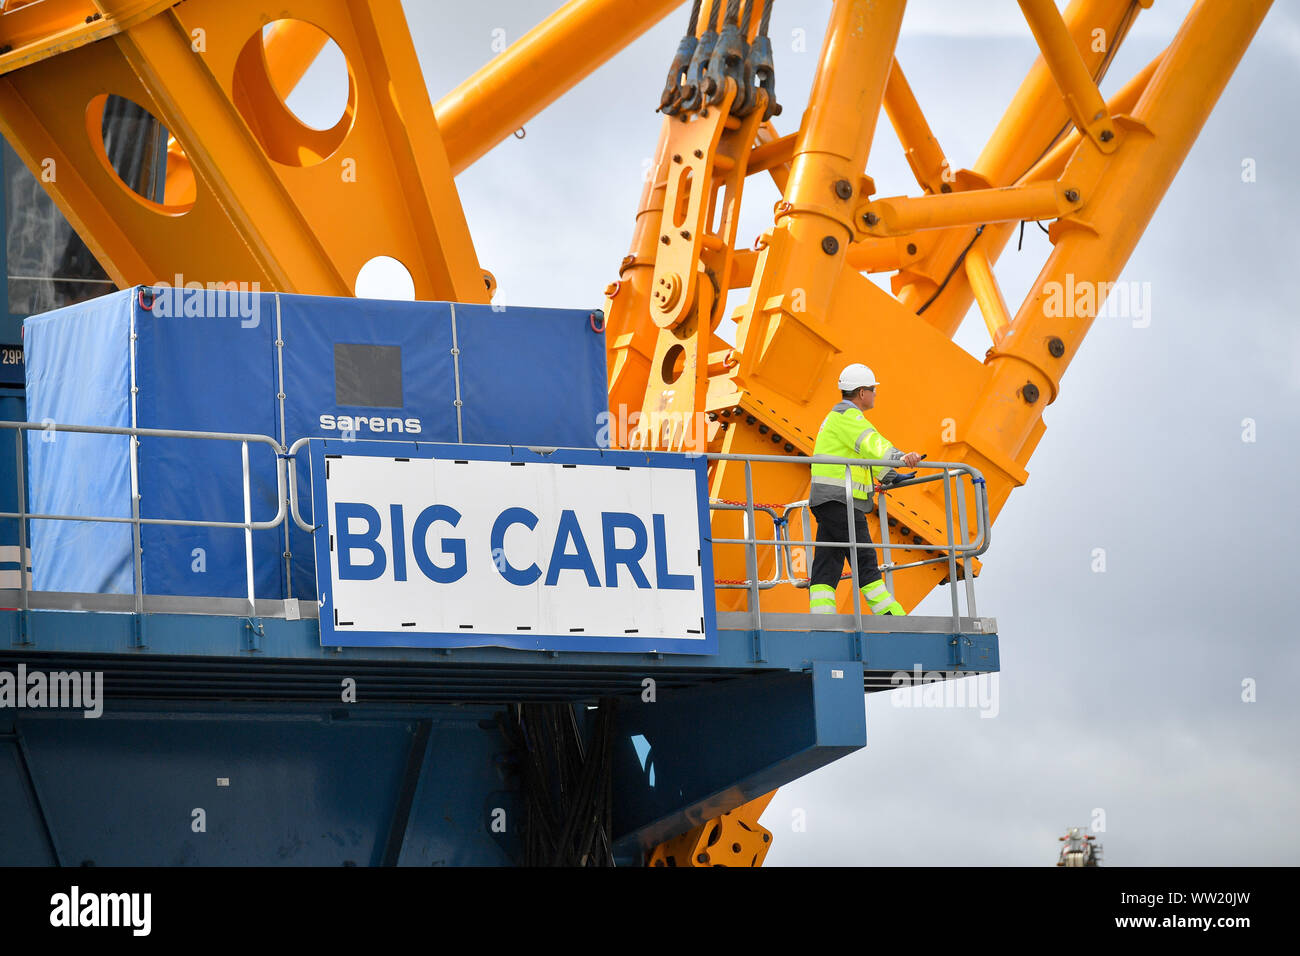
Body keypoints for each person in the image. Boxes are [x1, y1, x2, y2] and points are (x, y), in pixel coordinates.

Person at [806, 363, 923, 616]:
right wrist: (901, 458)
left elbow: (861, 457)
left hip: (828, 500)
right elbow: (872, 444)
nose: (875, 394)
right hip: (841, 500)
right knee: (865, 558)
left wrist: (892, 476)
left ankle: (822, 619)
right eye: (873, 389)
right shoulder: (849, 417)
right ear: (861, 393)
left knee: (828, 561)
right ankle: (891, 616)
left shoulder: (837, 418)